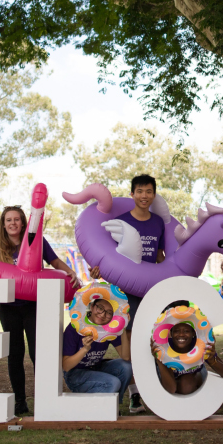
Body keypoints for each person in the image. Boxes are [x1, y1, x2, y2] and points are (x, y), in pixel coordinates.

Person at [0, 205, 81, 416]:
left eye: (16, 219)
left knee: (37, 353)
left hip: (33, 307)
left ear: (23, 222)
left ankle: (45, 397)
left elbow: (55, 261)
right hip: (9, 309)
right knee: (14, 354)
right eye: (8, 220)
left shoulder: (36, 243)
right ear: (3, 225)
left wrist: (70, 272)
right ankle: (20, 402)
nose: (12, 223)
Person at [88, 174, 165, 414]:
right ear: (132, 194)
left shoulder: (159, 223)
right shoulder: (121, 221)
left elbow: (161, 257)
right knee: (131, 344)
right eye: (140, 191)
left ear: (154, 195)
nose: (144, 196)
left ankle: (156, 391)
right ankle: (135, 396)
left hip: (151, 291)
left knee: (153, 340)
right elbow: (110, 256)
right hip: (127, 293)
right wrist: (97, 270)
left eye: (149, 191)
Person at [62, 298, 132, 405]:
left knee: (126, 367)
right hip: (75, 374)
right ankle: (101, 409)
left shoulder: (108, 328)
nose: (103, 315)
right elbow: (66, 366)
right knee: (113, 383)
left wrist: (122, 329)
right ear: (92, 306)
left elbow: (126, 357)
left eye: (109, 312)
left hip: (96, 368)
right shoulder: (74, 328)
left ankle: (115, 406)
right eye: (100, 308)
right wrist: (85, 349)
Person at [151, 322, 223, 395]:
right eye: (176, 331)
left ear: (193, 333)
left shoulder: (200, 345)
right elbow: (171, 389)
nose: (181, 334)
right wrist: (159, 359)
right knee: (184, 384)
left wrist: (212, 361)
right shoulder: (165, 348)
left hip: (195, 375)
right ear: (171, 333)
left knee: (186, 383)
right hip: (173, 377)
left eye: (186, 331)